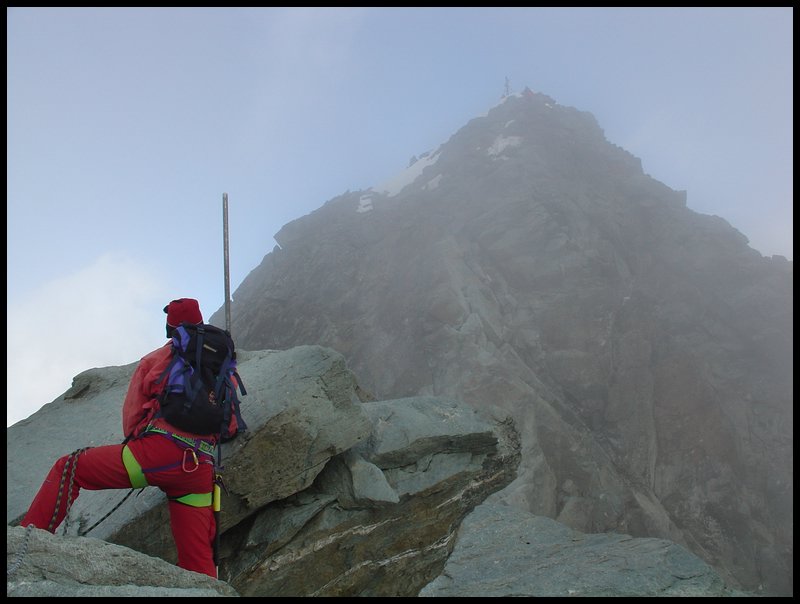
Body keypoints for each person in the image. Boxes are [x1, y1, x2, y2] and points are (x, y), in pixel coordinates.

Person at [21, 298, 220, 578]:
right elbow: (230, 420)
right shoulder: (221, 362)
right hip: (200, 468)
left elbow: (133, 416)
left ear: (169, 329)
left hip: (156, 455)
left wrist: (140, 446)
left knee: (69, 467)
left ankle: (24, 543)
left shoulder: (156, 359)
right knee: (198, 562)